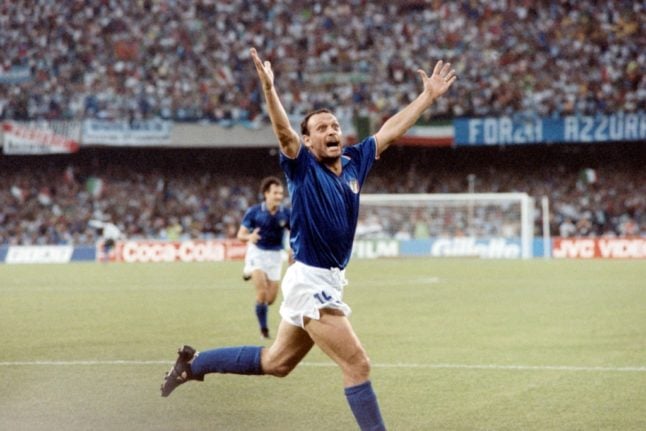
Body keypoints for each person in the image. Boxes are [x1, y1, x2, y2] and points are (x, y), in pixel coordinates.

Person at [161, 47, 456, 430]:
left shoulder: (354, 163)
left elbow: (389, 131)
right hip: (310, 281)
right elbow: (284, 133)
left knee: (277, 363)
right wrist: (270, 90)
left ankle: (193, 363)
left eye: (334, 125)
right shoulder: (301, 168)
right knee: (357, 364)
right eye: (321, 128)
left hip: (328, 280)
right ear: (308, 140)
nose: (331, 131)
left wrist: (427, 97)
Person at [237, 176, 291, 339]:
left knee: (270, 299)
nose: (279, 196)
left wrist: (291, 250)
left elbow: (295, 232)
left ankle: (248, 271)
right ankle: (264, 330)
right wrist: (249, 238)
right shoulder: (254, 212)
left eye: (280, 193)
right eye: (275, 193)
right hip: (257, 253)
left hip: (275, 256)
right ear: (266, 193)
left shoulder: (285, 213)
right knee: (261, 294)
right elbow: (241, 235)